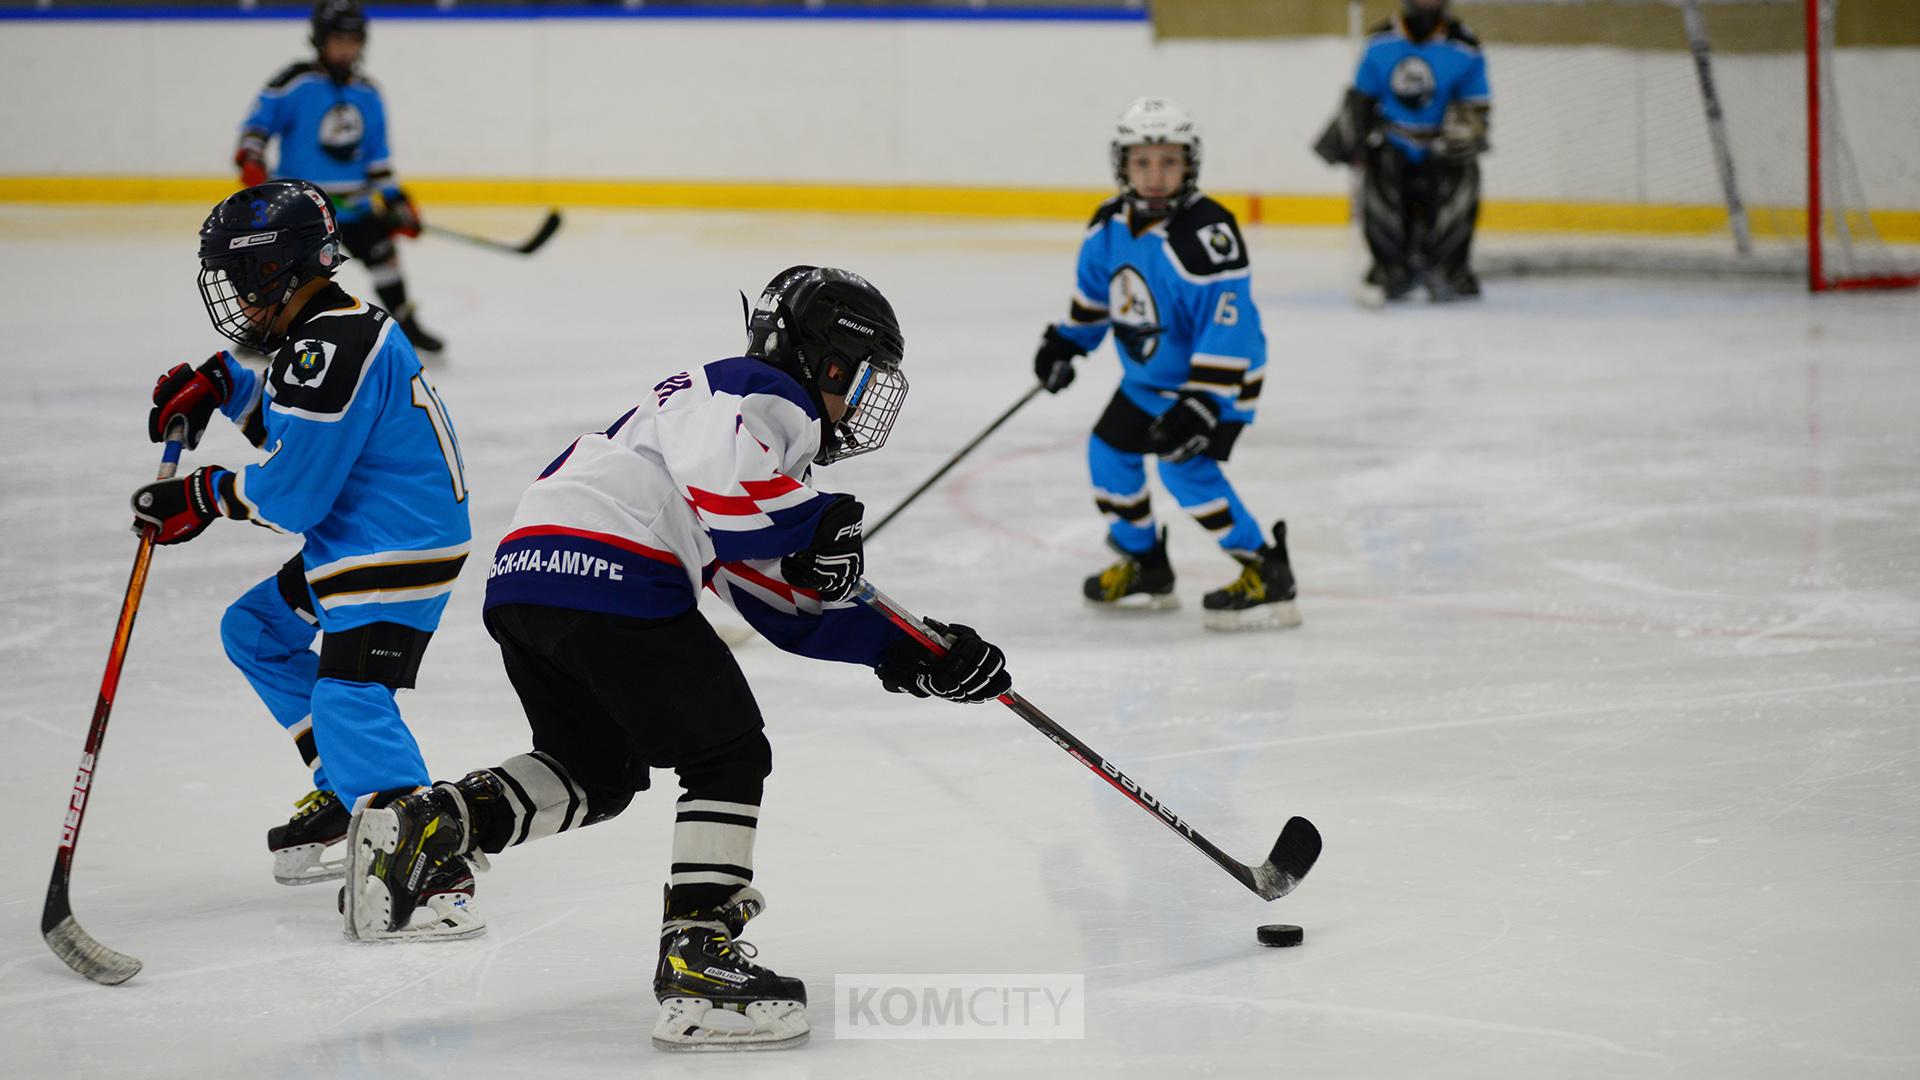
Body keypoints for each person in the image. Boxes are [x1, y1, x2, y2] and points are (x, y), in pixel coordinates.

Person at [338, 267, 1013, 1050]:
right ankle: (699, 955)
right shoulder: (761, 395)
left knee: (597, 766)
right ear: (829, 362)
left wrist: (914, 652)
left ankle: (425, 827)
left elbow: (774, 601)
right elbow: (733, 493)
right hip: (614, 567)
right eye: (859, 381)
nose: (857, 405)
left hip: (528, 573)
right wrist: (821, 520)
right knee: (727, 753)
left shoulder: (731, 440)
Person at [130, 179, 478, 937]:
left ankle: (432, 864)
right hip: (374, 533)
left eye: (237, 278)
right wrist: (226, 388)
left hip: (393, 547)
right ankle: (351, 794)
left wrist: (201, 495)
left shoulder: (329, 345)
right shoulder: (324, 333)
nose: (233, 299)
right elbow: (303, 441)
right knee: (255, 630)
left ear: (271, 271)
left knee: (349, 696)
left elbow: (293, 496)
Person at [1031, 97, 1300, 632]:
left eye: (1169, 161)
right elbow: (1096, 300)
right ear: (1122, 165)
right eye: (1142, 162)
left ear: (1190, 163)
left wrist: (1204, 401)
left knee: (1184, 468)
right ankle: (1146, 566)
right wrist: (1066, 344)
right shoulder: (1106, 226)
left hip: (1220, 381)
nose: (1155, 175)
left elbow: (1233, 329)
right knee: (1109, 453)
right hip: (1150, 379)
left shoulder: (1207, 234)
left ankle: (1266, 572)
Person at [233, 0, 445, 353]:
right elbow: (257, 125)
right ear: (320, 40)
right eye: (338, 39)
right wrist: (250, 157)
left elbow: (377, 156)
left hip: (355, 206)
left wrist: (395, 200)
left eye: (352, 40)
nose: (346, 48)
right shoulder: (294, 82)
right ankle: (265, 327)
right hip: (302, 209)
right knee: (289, 273)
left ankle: (405, 320)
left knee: (384, 257)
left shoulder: (368, 92)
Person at [1314, 0, 1492, 303]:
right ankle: (1390, 267)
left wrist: (1461, 136)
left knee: (1464, 169)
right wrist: (1356, 135)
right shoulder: (1380, 42)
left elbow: (1475, 107)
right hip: (1394, 144)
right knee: (1376, 164)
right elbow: (1361, 97)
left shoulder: (1465, 46)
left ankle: (1447, 267)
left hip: (1441, 147)